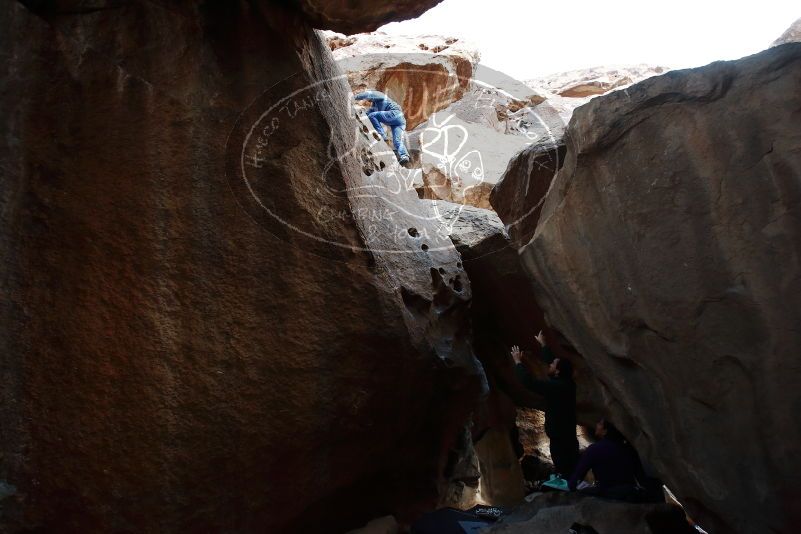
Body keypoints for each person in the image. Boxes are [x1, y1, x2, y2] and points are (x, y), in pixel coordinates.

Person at [511, 330, 579, 477]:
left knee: (565, 468)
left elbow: (529, 382)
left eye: (552, 365)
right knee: (570, 466)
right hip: (566, 436)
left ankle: (570, 488)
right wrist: (543, 345)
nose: (549, 365)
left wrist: (517, 362)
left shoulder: (557, 387)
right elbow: (553, 361)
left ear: (558, 372)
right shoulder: (568, 383)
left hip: (561, 439)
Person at [568, 418, 645, 499]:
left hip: (607, 494)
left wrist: (571, 486)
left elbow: (576, 478)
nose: (596, 425)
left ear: (605, 431)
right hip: (629, 494)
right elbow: (641, 477)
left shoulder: (594, 449)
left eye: (600, 424)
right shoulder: (629, 449)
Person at [353, 90, 410, 165]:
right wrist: (361, 112)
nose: (367, 101)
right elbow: (367, 115)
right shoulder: (374, 106)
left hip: (395, 113)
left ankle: (382, 136)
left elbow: (368, 94)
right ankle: (404, 156)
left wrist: (354, 97)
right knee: (397, 141)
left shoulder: (379, 95)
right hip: (400, 121)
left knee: (373, 116)